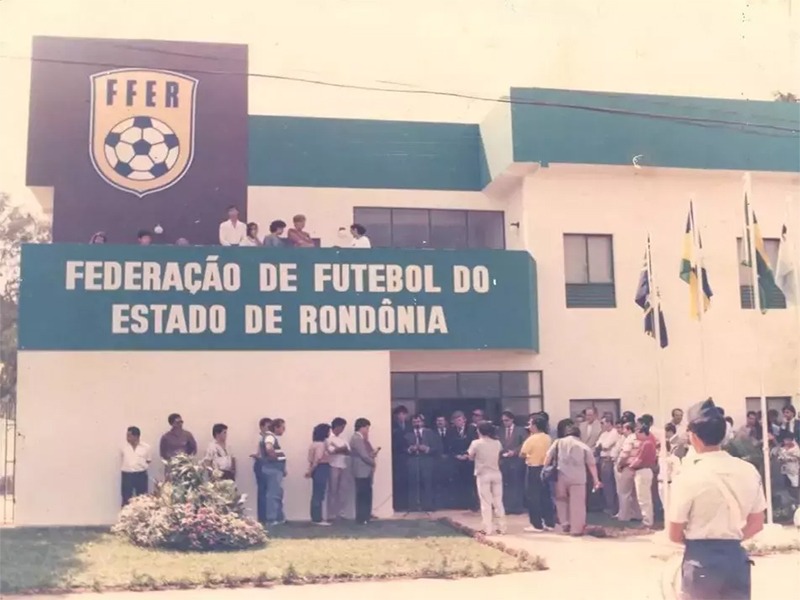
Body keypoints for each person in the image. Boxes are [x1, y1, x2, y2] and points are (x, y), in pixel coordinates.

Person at [668, 398, 767, 600]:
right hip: (736, 560)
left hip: (701, 560)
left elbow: (674, 533)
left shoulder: (688, 476)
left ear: (693, 436)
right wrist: (730, 540)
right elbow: (757, 523)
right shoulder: (748, 470)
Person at [546, 421, 601, 536]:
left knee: (561, 500)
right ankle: (576, 529)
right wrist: (596, 479)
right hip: (578, 478)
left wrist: (545, 468)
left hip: (561, 475)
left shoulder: (558, 442)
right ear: (578, 435)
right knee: (578, 504)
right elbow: (591, 464)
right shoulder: (583, 446)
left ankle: (565, 523)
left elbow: (548, 456)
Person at [467, 421, 506, 536]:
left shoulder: (476, 443)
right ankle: (502, 527)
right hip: (496, 473)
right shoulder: (497, 442)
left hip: (483, 473)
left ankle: (487, 528)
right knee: (498, 501)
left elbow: (470, 457)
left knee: (485, 502)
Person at [520, 413, 555, 532]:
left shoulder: (531, 439)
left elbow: (522, 453)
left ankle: (537, 524)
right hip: (545, 468)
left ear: (535, 426)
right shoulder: (547, 437)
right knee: (545, 495)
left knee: (533, 496)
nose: (529, 426)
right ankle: (549, 522)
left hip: (533, 468)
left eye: (530, 424)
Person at [405, 413, 440, 512]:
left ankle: (428, 505)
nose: (416, 423)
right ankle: (413, 505)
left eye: (418, 421)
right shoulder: (407, 434)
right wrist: (410, 449)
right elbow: (401, 448)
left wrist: (427, 449)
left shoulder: (430, 433)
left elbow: (437, 447)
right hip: (413, 460)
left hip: (427, 460)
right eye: (414, 421)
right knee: (413, 483)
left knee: (427, 483)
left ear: (423, 422)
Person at [350, 417, 378, 525]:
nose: (367, 430)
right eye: (367, 428)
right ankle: (362, 517)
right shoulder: (357, 438)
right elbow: (363, 456)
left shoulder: (358, 438)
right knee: (363, 494)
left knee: (365, 493)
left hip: (363, 470)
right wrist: (372, 462)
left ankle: (365, 515)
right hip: (361, 470)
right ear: (362, 428)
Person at [629, 424, 657, 527]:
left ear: (642, 432)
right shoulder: (647, 443)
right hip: (644, 471)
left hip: (643, 470)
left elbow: (639, 459)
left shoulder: (647, 444)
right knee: (644, 497)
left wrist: (630, 466)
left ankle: (647, 521)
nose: (635, 435)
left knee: (644, 497)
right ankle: (647, 520)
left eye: (637, 432)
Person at [498, 410, 526, 514]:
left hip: (516, 461)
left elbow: (524, 444)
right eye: (503, 421)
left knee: (517, 484)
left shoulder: (520, 430)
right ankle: (507, 507)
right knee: (505, 485)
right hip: (504, 461)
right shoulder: (500, 431)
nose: (505, 423)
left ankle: (517, 507)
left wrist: (514, 452)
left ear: (512, 419)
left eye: (507, 420)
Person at [447, 410, 474, 510]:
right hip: (456, 460)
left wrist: (468, 455)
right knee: (458, 482)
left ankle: (472, 504)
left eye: (459, 420)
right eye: (455, 421)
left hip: (469, 460)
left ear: (464, 420)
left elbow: (474, 443)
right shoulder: (450, 431)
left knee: (470, 483)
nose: (458, 422)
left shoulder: (471, 429)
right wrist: (456, 455)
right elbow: (448, 446)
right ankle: (459, 503)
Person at [306, 423, 332, 525]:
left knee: (317, 493)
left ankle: (316, 517)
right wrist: (311, 470)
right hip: (321, 468)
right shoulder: (321, 445)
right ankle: (317, 518)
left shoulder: (314, 444)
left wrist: (310, 470)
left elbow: (311, 460)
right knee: (319, 494)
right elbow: (318, 458)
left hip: (317, 469)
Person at [263, 418, 287, 526]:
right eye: (282, 427)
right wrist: (276, 459)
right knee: (273, 494)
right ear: (276, 427)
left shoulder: (270, 436)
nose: (284, 430)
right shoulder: (270, 437)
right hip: (273, 469)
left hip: (275, 469)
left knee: (277, 493)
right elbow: (269, 448)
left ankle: (278, 517)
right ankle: (272, 518)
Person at [596, 416, 620, 515]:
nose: (601, 425)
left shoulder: (614, 433)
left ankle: (613, 507)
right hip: (602, 459)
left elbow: (606, 446)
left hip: (609, 459)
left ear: (609, 423)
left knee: (610, 484)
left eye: (603, 423)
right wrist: (600, 446)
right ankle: (608, 505)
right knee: (605, 484)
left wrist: (601, 446)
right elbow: (598, 445)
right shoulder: (603, 434)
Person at [120, 426, 151, 506]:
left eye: (129, 436)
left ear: (136, 436)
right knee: (126, 497)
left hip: (140, 474)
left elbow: (148, 460)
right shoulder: (123, 447)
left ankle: (141, 517)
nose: (127, 438)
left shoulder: (146, 447)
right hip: (127, 475)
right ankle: (125, 517)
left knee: (142, 498)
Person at [326, 417, 350, 521]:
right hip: (333, 465)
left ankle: (341, 512)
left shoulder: (342, 439)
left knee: (343, 490)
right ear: (337, 426)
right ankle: (331, 513)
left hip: (343, 465)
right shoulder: (328, 438)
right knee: (333, 490)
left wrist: (339, 449)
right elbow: (331, 451)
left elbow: (348, 451)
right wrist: (340, 449)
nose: (343, 430)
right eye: (342, 427)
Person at [252, 417, 272, 524]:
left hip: (269, 464)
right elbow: (256, 453)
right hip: (261, 464)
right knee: (262, 491)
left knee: (270, 491)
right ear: (261, 427)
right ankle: (262, 517)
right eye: (268, 426)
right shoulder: (258, 438)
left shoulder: (270, 438)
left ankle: (269, 516)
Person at [773, 430, 800, 505]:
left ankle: (797, 502)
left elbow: (797, 458)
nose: (786, 441)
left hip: (793, 471)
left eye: (788, 440)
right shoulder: (783, 447)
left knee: (794, 487)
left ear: (791, 440)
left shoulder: (796, 449)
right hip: (785, 470)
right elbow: (777, 453)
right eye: (785, 440)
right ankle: (791, 502)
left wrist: (786, 459)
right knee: (787, 486)